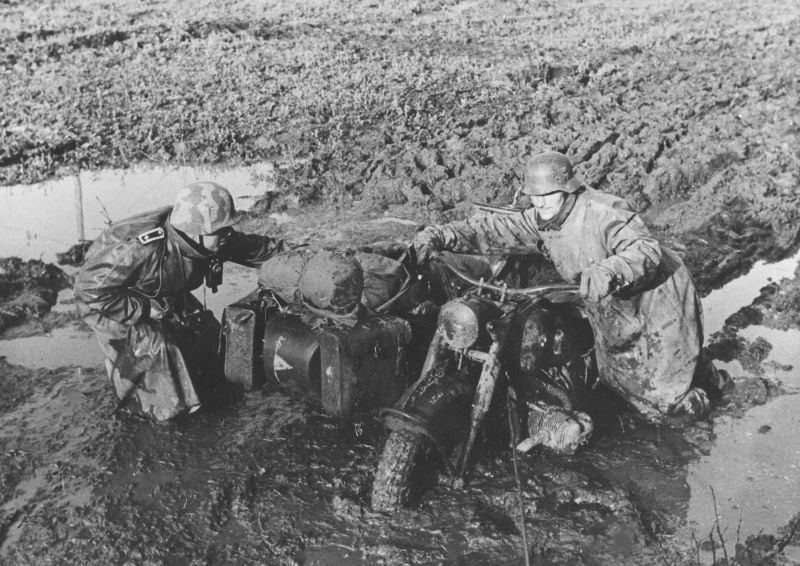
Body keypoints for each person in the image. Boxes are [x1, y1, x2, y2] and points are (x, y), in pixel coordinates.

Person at [413, 151, 716, 429]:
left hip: (655, 296)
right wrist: (443, 234)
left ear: (568, 188)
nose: (540, 203)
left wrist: (609, 270)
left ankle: (707, 393)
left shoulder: (603, 211)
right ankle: (685, 373)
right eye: (535, 196)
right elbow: (496, 228)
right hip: (610, 300)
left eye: (548, 195)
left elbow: (645, 250)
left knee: (664, 401)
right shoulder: (543, 218)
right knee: (617, 381)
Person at [75, 181, 288, 422]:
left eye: (228, 229)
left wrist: (301, 256)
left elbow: (259, 249)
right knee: (158, 352)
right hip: (110, 303)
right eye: (220, 231)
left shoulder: (212, 237)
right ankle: (144, 402)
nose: (227, 236)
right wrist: (143, 310)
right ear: (195, 231)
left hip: (160, 292)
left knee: (210, 341)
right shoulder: (141, 248)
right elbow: (90, 291)